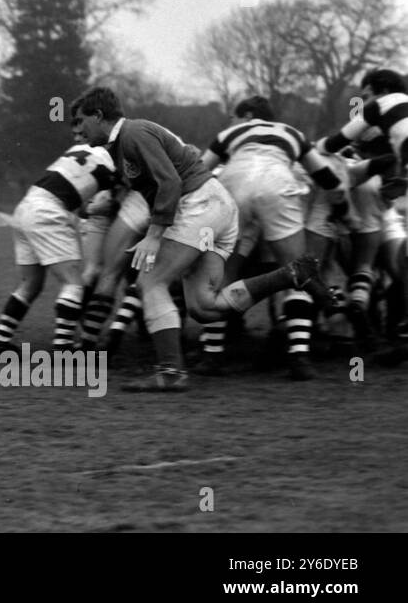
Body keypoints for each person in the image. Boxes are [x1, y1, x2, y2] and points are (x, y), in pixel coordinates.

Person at [72, 86, 330, 392]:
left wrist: (155, 235)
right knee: (204, 306)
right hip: (214, 208)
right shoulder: (123, 143)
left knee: (150, 282)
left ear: (98, 115)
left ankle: (170, 372)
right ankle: (287, 276)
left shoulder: (132, 133)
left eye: (80, 120)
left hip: (201, 206)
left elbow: (169, 182)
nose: (77, 129)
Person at [192, 95, 345, 379]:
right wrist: (340, 204)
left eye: (235, 116)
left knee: (220, 276)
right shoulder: (293, 133)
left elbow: (197, 171)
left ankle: (211, 356)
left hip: (233, 185)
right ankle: (299, 358)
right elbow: (325, 177)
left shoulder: (230, 133)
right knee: (299, 272)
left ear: (248, 116)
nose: (232, 121)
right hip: (278, 184)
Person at [0, 114, 116, 360]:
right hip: (49, 212)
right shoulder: (113, 159)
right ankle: (64, 350)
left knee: (30, 285)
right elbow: (107, 201)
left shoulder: (78, 149)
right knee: (73, 283)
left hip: (25, 207)